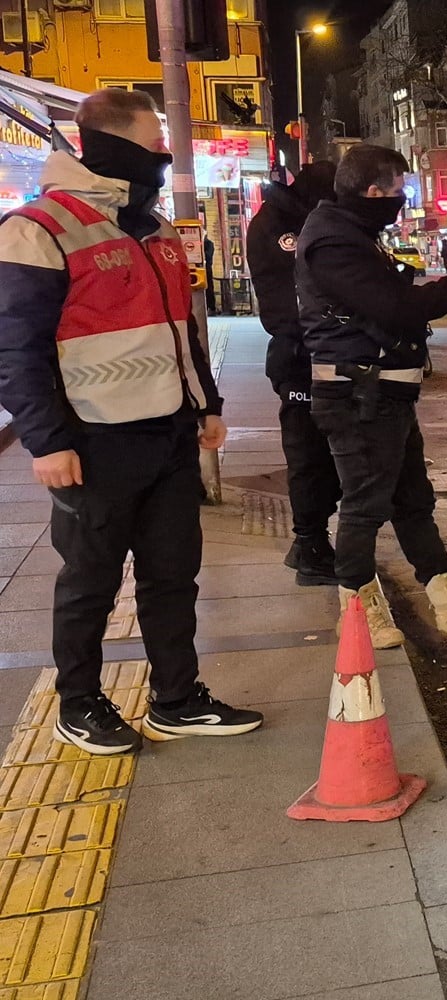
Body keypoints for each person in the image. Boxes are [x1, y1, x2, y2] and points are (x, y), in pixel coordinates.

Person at [0, 88, 263, 754]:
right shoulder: (39, 227)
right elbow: (15, 347)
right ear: (113, 144)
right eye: (153, 144)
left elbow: (183, 331)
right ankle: (79, 703)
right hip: (93, 440)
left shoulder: (155, 229)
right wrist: (47, 440)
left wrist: (206, 404)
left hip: (170, 435)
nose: (162, 155)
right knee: (89, 581)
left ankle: (176, 698)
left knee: (172, 575)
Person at [297, 144, 447, 649]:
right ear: (373, 191)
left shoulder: (350, 234)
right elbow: (397, 309)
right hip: (357, 393)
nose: (402, 199)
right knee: (365, 504)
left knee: (411, 499)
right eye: (399, 189)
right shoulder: (333, 241)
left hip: (381, 393)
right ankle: (357, 609)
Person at [248, 160, 341, 586]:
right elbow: (291, 300)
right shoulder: (281, 227)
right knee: (308, 453)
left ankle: (310, 541)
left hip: (314, 352)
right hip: (301, 355)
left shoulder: (301, 220)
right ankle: (310, 545)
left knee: (325, 455)